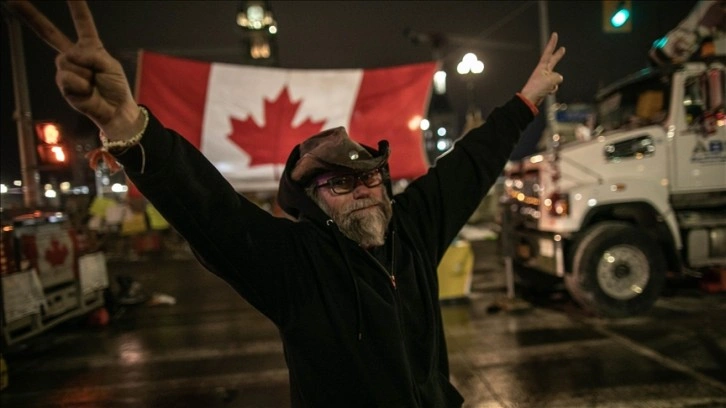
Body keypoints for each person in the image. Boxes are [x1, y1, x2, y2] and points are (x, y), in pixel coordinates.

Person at [9, 1, 564, 406]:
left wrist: (522, 104)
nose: (362, 190)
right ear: (314, 202)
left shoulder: (413, 228)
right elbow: (209, 210)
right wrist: (127, 126)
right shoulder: (294, 266)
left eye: (369, 175)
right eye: (339, 184)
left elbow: (469, 166)